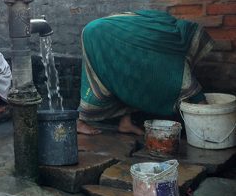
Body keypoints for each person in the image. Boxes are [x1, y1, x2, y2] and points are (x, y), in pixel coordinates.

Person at [76, 10, 214, 136]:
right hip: (99, 36)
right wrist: (211, 124)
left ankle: (125, 123)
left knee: (128, 81)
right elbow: (192, 89)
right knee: (99, 82)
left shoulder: (166, 27)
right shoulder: (173, 56)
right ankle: (80, 121)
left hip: (115, 36)